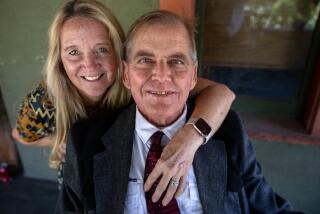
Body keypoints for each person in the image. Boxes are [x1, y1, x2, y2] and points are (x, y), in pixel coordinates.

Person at [59, 10, 300, 214]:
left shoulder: (228, 130)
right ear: (125, 74)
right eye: (145, 60)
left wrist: (191, 138)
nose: (162, 76)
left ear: (194, 75)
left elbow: (267, 206)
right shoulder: (84, 141)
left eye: (176, 61)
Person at [11, 0, 235, 196]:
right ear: (59, 59)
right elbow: (21, 136)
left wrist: (189, 140)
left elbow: (222, 93)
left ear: (118, 51)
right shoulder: (44, 100)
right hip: (79, 179)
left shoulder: (136, 82)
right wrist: (60, 141)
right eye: (73, 52)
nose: (89, 64)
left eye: (101, 49)